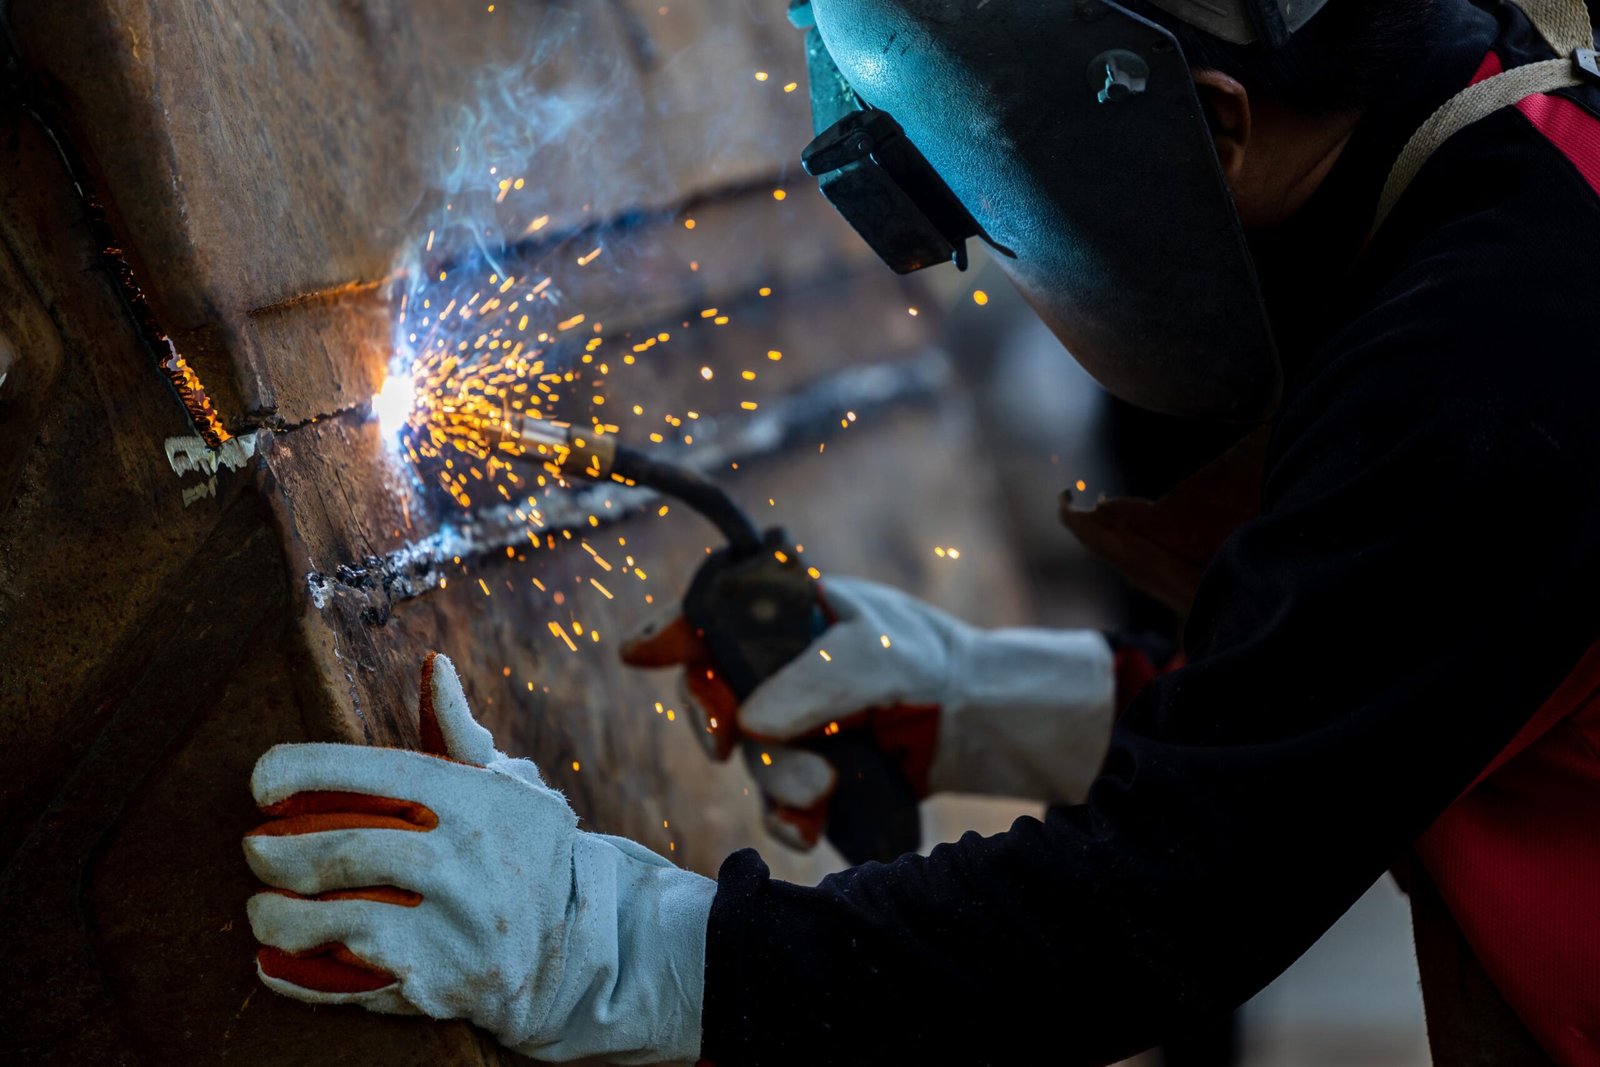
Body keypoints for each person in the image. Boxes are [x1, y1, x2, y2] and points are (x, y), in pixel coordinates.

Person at [239, 0, 1600, 1062]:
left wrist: (616, 955)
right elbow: (1402, 680)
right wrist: (992, 701)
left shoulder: (1494, 357)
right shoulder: (1511, 172)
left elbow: (1164, 903)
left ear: (1209, 124)